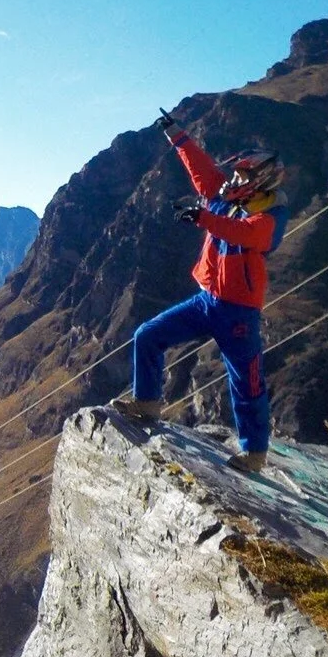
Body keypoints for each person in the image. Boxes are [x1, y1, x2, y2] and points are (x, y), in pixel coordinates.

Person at [111, 109, 288, 473]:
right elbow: (205, 173)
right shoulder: (230, 200)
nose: (234, 178)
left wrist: (203, 218)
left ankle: (254, 453)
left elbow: (244, 234)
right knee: (148, 335)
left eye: (243, 174)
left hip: (239, 310)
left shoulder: (269, 217)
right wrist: (176, 135)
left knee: (246, 379)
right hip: (208, 300)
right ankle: (147, 403)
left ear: (262, 180)